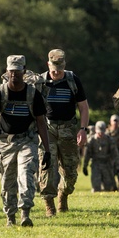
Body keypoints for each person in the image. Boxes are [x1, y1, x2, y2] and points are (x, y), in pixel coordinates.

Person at [0, 54, 51, 227]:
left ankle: (25, 214)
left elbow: (41, 123)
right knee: (8, 181)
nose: (14, 74)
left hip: (27, 141)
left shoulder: (33, 94)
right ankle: (10, 216)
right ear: (7, 71)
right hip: (5, 143)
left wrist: (47, 150)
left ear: (24, 71)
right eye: (11, 71)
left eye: (18, 71)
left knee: (26, 175)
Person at [38, 48, 90, 216]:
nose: (56, 72)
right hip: (48, 130)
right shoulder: (40, 82)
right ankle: (49, 204)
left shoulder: (72, 80)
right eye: (53, 69)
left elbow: (83, 107)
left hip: (69, 130)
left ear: (64, 66)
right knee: (47, 168)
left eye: (59, 70)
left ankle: (63, 194)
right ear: (48, 65)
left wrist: (83, 129)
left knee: (70, 173)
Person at [83, 120, 119, 192]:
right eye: (99, 132)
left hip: (107, 164)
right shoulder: (91, 140)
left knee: (108, 188)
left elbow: (115, 155)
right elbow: (87, 155)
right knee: (96, 187)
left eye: (102, 132)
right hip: (96, 164)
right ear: (95, 130)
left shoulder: (110, 140)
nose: (100, 134)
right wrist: (85, 166)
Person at [107, 113, 119, 190]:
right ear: (110, 122)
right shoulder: (107, 133)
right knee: (110, 174)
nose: (115, 123)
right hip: (110, 157)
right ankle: (113, 188)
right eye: (114, 121)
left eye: (117, 121)